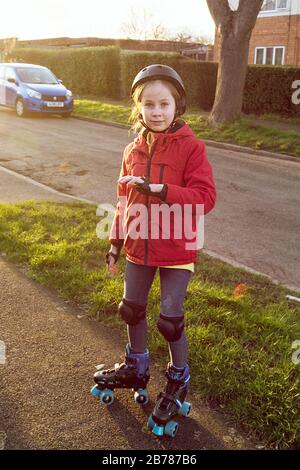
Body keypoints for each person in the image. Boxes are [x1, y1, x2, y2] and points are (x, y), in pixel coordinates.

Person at [92, 64, 216, 437]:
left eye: (164, 104)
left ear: (177, 106)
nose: (157, 111)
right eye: (149, 104)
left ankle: (178, 379)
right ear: (138, 107)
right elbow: (123, 201)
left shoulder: (192, 147)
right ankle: (137, 366)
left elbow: (205, 198)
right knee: (130, 309)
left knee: (169, 319)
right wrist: (115, 241)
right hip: (138, 246)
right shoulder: (132, 150)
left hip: (177, 248)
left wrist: (159, 190)